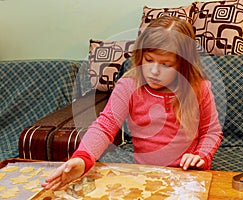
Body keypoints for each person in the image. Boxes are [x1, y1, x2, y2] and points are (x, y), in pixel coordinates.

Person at [42, 16, 223, 190]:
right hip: (145, 175)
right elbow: (105, 126)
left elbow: (211, 131)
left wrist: (200, 156)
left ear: (184, 65)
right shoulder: (129, 85)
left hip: (188, 176)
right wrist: (83, 158)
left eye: (166, 65)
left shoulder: (199, 88)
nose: (153, 71)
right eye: (149, 60)